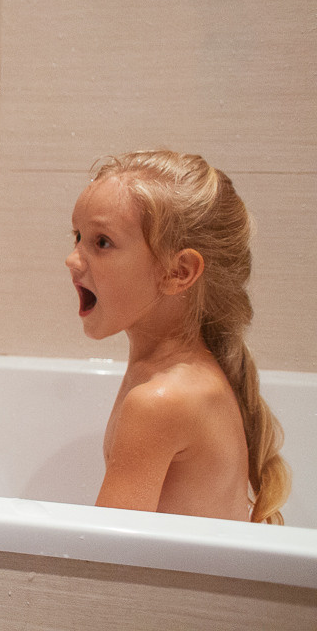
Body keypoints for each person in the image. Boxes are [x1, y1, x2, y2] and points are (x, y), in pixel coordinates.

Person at [65, 150, 290, 523]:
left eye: (101, 242)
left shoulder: (160, 401)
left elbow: (106, 566)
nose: (72, 259)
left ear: (178, 272)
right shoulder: (170, 372)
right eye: (77, 236)